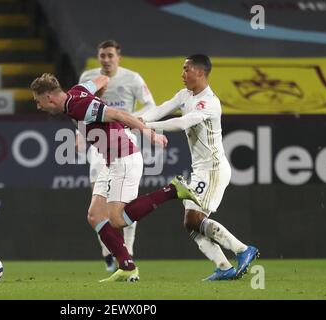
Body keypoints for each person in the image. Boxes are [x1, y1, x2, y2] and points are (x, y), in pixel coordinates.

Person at [30, 73, 201, 282]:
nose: (39, 107)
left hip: (125, 159)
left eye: (38, 101)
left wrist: (150, 134)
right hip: (110, 161)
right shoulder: (78, 91)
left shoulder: (78, 105)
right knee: (95, 216)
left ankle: (173, 190)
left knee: (117, 219)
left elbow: (119, 114)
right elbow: (102, 79)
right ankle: (127, 266)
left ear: (49, 97)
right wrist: (98, 95)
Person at [142, 54, 259, 281]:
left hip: (213, 169)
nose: (182, 74)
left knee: (194, 219)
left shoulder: (210, 103)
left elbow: (181, 122)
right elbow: (163, 108)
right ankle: (224, 267)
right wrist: (136, 119)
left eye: (186, 69)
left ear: (200, 73)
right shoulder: (185, 95)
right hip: (200, 169)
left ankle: (243, 250)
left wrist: (146, 125)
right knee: (191, 223)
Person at [77, 40, 156, 273]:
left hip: (125, 141)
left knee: (126, 203)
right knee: (99, 203)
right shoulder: (88, 77)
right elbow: (80, 111)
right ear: (98, 57)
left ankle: (128, 250)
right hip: (99, 145)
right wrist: (79, 134)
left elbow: (151, 105)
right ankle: (108, 253)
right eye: (102, 55)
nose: (106, 60)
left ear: (118, 57)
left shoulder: (132, 78)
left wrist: (125, 117)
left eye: (110, 55)